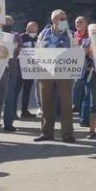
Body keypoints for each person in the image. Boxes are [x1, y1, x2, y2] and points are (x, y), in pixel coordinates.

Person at [34, 9, 76, 143]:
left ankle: (67, 134)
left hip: (65, 73)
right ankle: (46, 132)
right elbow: (36, 50)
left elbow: (77, 52)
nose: (64, 21)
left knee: (66, 104)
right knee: (46, 103)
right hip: (46, 72)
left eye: (65, 19)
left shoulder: (70, 34)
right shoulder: (44, 33)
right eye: (61, 19)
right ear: (54, 21)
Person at [18, 21, 39, 118]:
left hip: (32, 69)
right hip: (20, 68)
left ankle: (24, 110)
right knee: (16, 91)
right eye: (30, 29)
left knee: (27, 91)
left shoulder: (39, 39)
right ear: (27, 29)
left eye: (34, 29)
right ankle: (11, 113)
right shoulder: (21, 37)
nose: (32, 30)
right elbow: (17, 50)